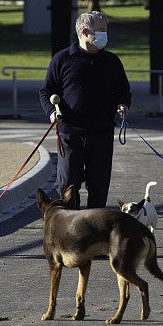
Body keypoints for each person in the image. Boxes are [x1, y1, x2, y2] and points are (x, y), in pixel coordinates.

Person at [39, 11, 131, 208]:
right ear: (84, 31)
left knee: (99, 188)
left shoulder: (112, 61)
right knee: (67, 187)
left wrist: (123, 104)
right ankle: (72, 231)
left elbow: (123, 91)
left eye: (106, 31)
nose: (105, 35)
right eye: (101, 31)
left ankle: (95, 234)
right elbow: (46, 91)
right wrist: (51, 112)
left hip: (102, 134)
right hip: (70, 135)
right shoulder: (62, 59)